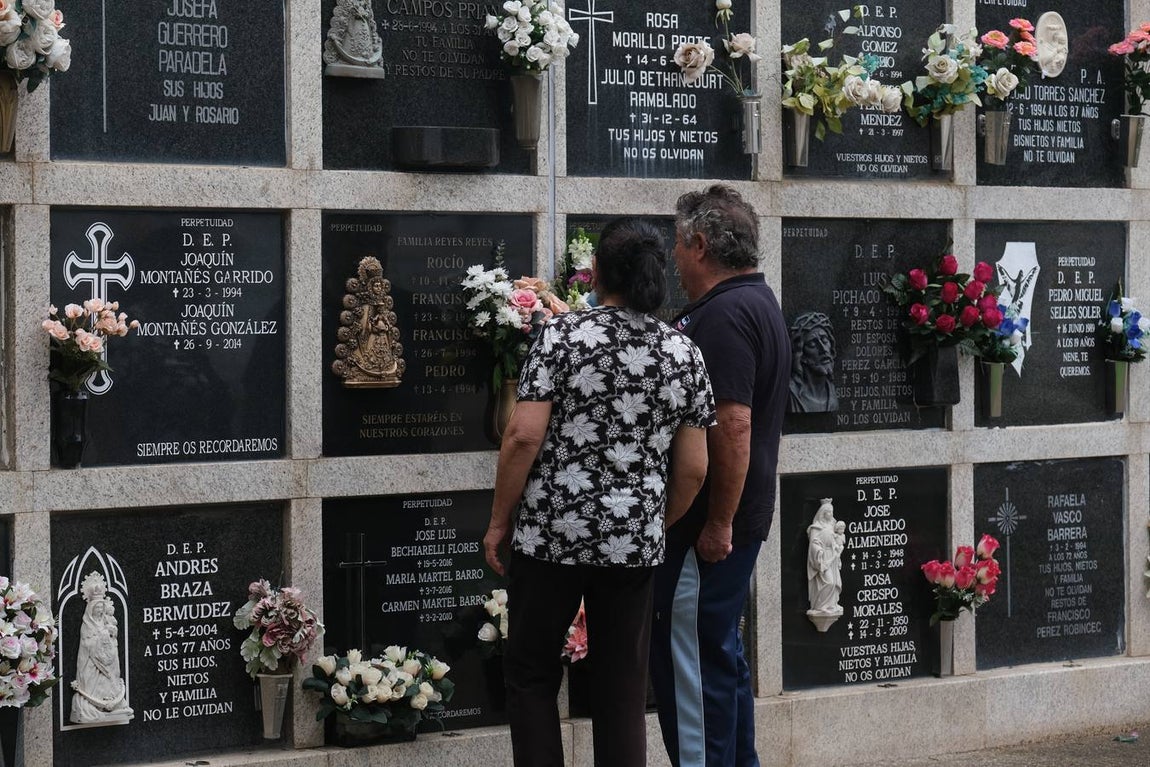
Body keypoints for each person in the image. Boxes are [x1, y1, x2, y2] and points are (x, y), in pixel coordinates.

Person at [483, 217, 716, 767]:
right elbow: (694, 469)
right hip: (632, 541)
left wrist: (499, 521)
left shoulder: (559, 337)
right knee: (621, 687)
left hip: (552, 533)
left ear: (600, 275)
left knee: (533, 672)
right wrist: (654, 522)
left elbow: (521, 436)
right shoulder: (682, 352)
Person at [651, 184, 790, 767]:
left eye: (678, 248)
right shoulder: (758, 302)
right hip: (731, 519)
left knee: (692, 666)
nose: (674, 262)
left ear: (701, 245)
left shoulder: (726, 315)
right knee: (720, 656)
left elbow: (731, 427)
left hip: (707, 527)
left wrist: (717, 523)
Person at [71, 576, 133, 724]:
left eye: (101, 607)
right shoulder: (87, 624)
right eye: (97, 608)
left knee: (110, 681)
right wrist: (102, 636)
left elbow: (112, 638)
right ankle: (92, 706)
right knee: (94, 683)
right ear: (91, 609)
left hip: (108, 658)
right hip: (92, 662)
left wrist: (110, 633)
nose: (99, 610)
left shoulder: (105, 621)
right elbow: (87, 644)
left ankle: (112, 703)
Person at [788, 311, 838, 413]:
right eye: (812, 344)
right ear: (801, 356)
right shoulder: (791, 394)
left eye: (824, 340)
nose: (823, 349)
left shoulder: (833, 392)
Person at [806, 499, 843, 616]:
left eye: (832, 512)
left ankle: (831, 605)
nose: (831, 515)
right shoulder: (815, 528)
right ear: (822, 513)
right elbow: (813, 544)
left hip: (832, 557)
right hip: (823, 558)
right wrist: (820, 553)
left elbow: (837, 539)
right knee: (829, 582)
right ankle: (820, 607)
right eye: (828, 512)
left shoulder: (833, 526)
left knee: (835, 582)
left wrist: (837, 548)